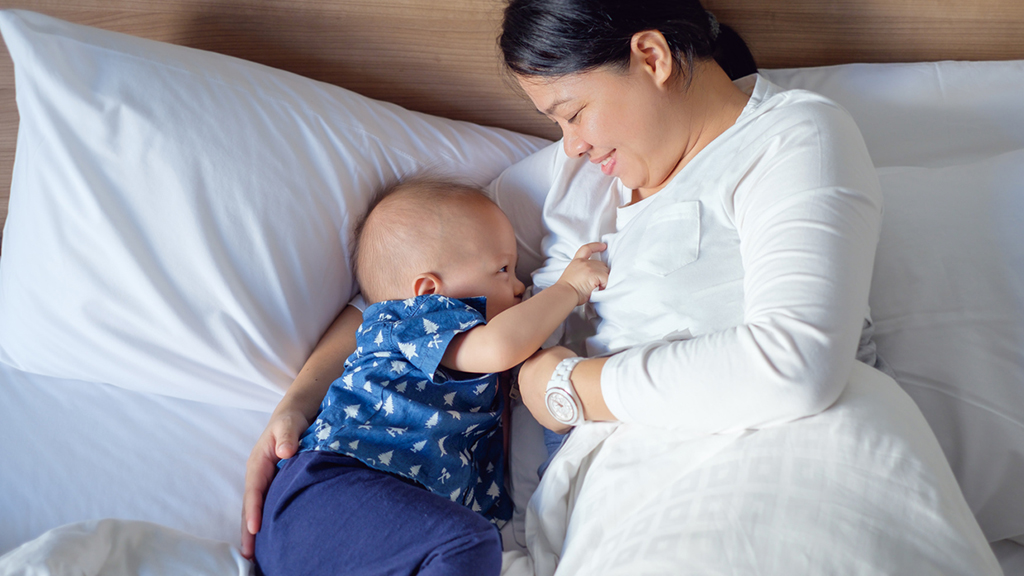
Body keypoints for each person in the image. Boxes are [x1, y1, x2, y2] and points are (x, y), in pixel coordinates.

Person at [243, 0, 887, 567]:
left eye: (573, 113)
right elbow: (399, 295)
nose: (571, 145)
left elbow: (795, 363)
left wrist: (563, 387)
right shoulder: (569, 181)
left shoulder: (792, 138)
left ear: (651, 56)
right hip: (611, 511)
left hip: (785, 462)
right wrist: (298, 404)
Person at [251, 179, 608, 576]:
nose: (521, 286)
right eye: (503, 269)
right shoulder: (415, 320)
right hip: (331, 489)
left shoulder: (465, 362)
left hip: (363, 520)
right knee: (468, 544)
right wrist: (567, 289)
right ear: (428, 289)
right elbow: (499, 346)